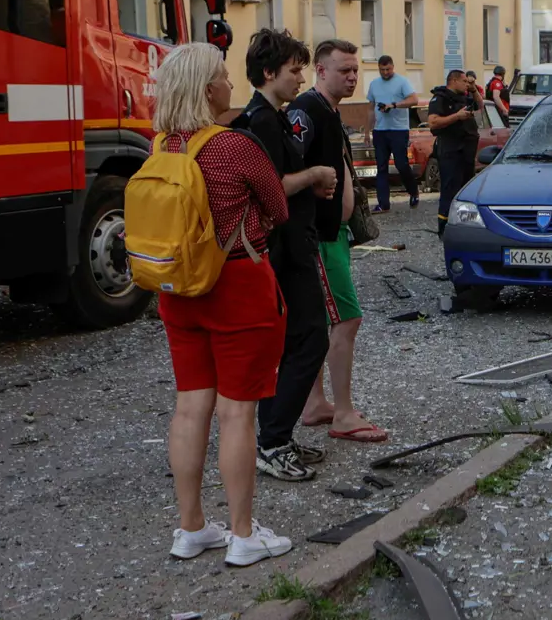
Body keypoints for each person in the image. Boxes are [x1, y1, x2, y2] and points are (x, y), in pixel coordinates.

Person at [152, 43, 294, 566]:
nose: (230, 82)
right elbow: (278, 207)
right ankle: (242, 535)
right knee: (239, 413)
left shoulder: (160, 146)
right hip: (236, 284)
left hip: (179, 290)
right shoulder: (234, 147)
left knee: (190, 406)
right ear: (207, 90)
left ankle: (190, 527)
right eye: (221, 76)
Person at [235, 31, 337, 483]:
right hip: (284, 249)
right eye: (294, 69)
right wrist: (314, 173)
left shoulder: (271, 116)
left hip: (292, 245)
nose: (300, 77)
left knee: (300, 340)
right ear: (269, 72)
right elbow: (271, 185)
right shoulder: (259, 121)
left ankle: (276, 436)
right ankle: (272, 441)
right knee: (310, 338)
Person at [294, 40, 389, 443]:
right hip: (320, 238)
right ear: (320, 70)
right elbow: (286, 171)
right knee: (346, 319)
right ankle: (344, 413)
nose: (351, 77)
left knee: (318, 322)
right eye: (343, 70)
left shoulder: (327, 112)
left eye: (355, 70)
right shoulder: (308, 111)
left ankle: (315, 403)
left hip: (332, 234)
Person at [428, 69, 481, 238]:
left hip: (466, 151)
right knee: (449, 190)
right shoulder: (440, 98)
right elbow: (433, 123)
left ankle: (465, 226)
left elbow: (480, 106)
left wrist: (473, 89)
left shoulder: (464, 97)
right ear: (454, 81)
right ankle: (444, 228)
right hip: (450, 151)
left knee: (466, 191)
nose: (467, 84)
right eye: (464, 81)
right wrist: (456, 116)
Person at [365, 55, 419, 213]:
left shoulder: (402, 82)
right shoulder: (374, 84)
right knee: (381, 168)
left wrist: (394, 105)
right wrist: (367, 132)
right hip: (380, 131)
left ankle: (413, 191)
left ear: (393, 67)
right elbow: (370, 109)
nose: (385, 72)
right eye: (382, 70)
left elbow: (414, 100)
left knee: (401, 164)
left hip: (399, 130)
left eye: (388, 69)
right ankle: (383, 204)